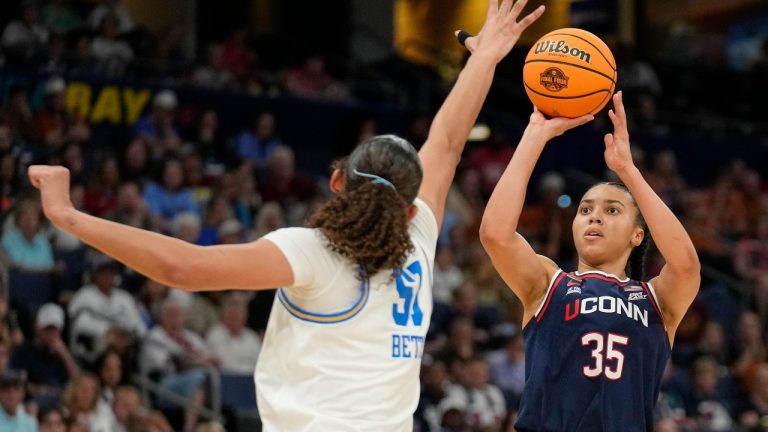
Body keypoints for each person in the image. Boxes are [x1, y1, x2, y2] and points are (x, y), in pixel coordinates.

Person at [27, 1, 545, 430]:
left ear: (337, 180)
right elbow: (449, 141)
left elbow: (180, 268)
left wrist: (69, 215)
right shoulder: (421, 234)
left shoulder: (312, 251)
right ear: (411, 206)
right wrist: (486, 59)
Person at [479, 91, 701, 431]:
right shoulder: (549, 283)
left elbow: (686, 263)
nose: (594, 217)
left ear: (637, 235)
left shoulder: (657, 300)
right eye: (585, 210)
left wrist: (628, 173)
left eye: (612, 210)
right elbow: (495, 233)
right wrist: (534, 137)